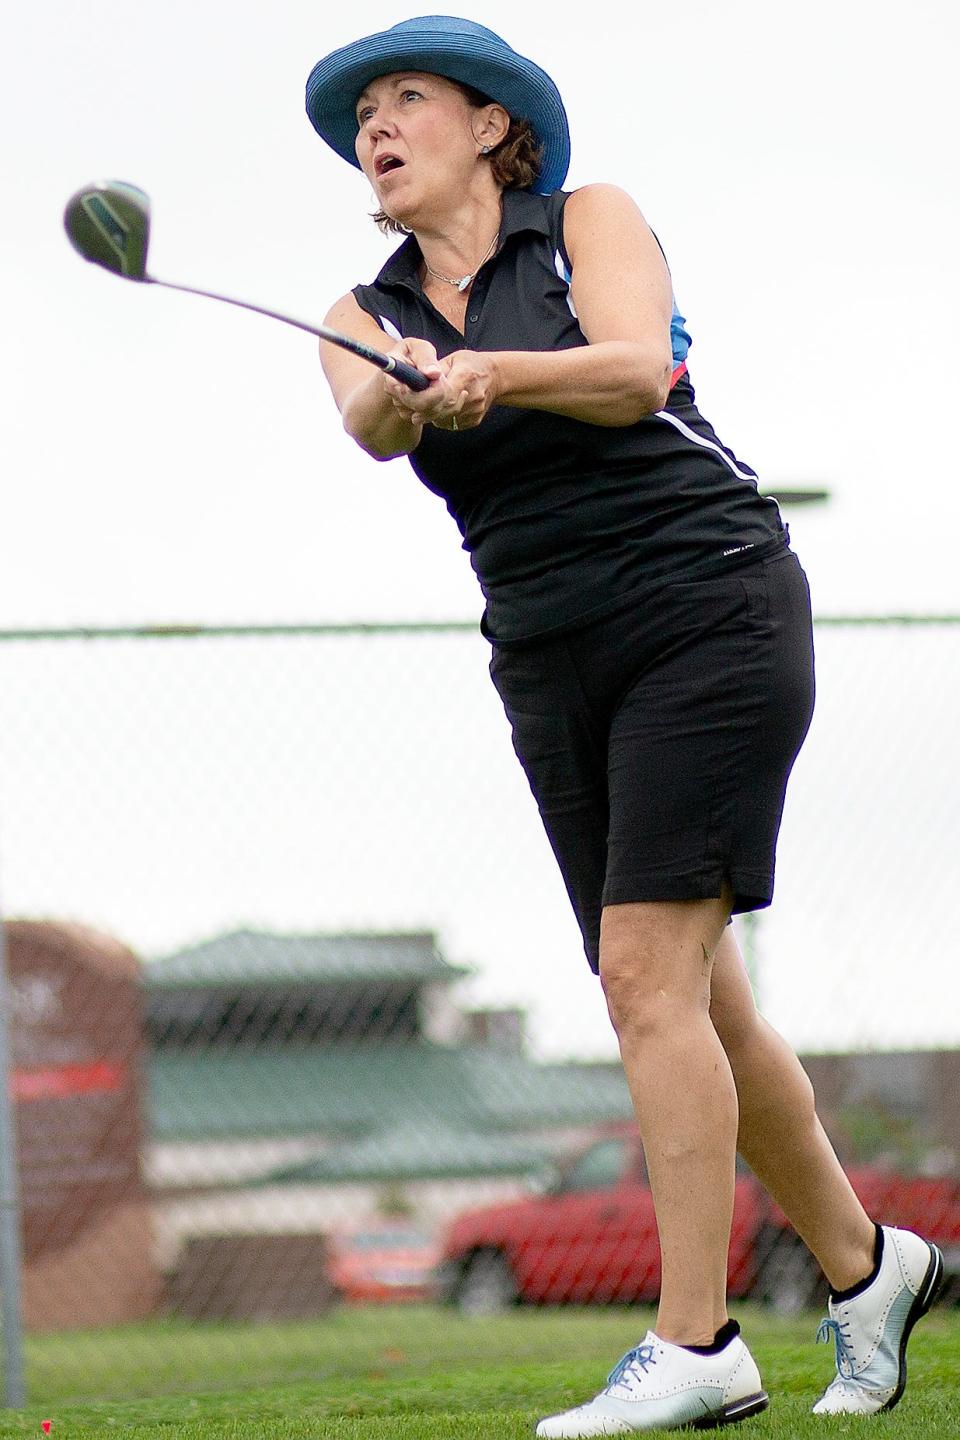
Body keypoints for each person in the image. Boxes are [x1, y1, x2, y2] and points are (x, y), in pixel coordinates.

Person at [305, 16, 943, 1431]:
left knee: (643, 978)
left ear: (493, 126)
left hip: (706, 603)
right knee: (696, 996)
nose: (378, 125)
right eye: (361, 115)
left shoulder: (590, 218)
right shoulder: (365, 309)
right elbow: (366, 419)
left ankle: (698, 1340)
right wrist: (411, 399)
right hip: (545, 651)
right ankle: (869, 1265)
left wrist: (496, 373)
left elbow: (633, 370)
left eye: (410, 97)